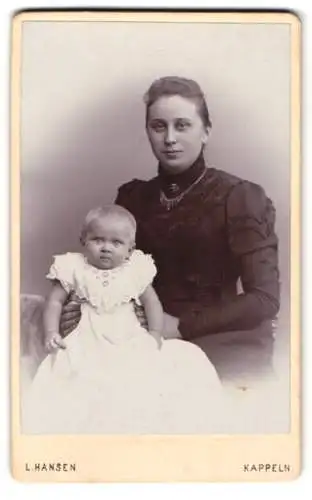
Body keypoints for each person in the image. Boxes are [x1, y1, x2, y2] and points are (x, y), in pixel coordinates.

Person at [60, 76, 280, 384]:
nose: (169, 138)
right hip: (141, 333)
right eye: (159, 126)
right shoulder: (132, 198)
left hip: (218, 338)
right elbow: (111, 274)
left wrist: (180, 327)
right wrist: (81, 304)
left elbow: (264, 298)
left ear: (206, 131)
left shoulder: (239, 197)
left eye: (182, 125)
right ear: (148, 131)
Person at [23, 205, 223, 434]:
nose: (106, 248)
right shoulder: (73, 267)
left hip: (127, 333)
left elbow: (152, 302)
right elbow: (55, 302)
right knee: (77, 371)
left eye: (116, 243)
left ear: (130, 248)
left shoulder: (135, 269)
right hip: (88, 335)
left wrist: (155, 333)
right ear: (83, 240)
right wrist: (51, 332)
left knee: (144, 371)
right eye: (98, 240)